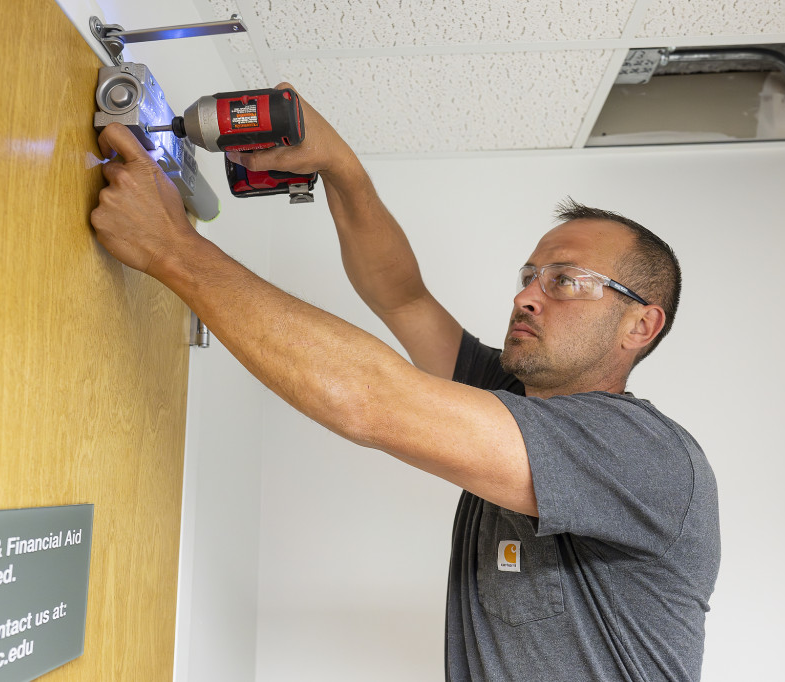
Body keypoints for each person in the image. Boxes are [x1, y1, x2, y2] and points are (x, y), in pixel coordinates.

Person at [90, 84, 720, 682]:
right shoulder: (507, 397)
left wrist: (173, 249)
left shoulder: (646, 456)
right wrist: (341, 168)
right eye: (529, 275)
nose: (527, 295)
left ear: (641, 323)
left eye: (564, 280)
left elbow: (372, 402)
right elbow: (402, 297)